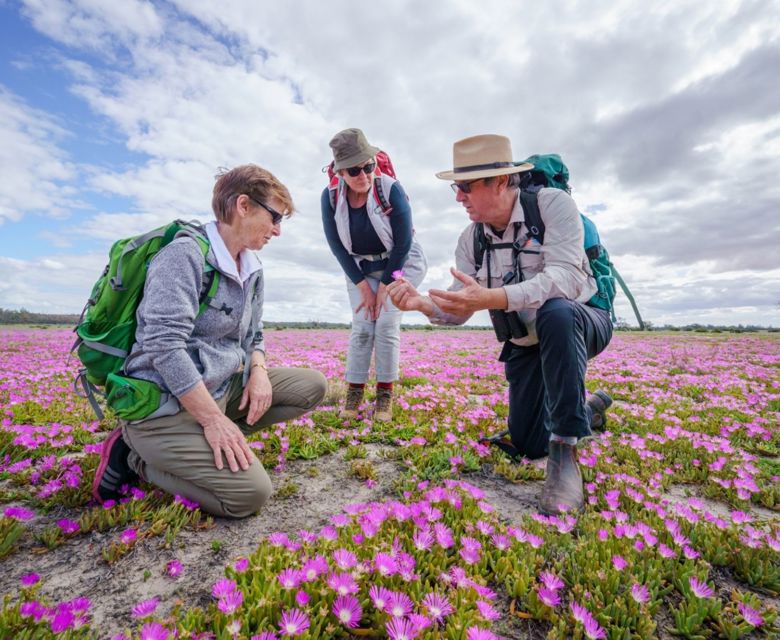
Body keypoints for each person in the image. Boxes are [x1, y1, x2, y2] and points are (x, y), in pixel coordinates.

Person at [387, 134, 613, 514]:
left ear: (502, 181)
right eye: (456, 187)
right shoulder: (471, 238)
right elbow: (460, 307)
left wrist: (493, 298)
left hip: (581, 321)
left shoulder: (553, 206)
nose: (458, 196)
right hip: (527, 339)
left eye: (465, 186)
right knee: (527, 443)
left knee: (555, 311)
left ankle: (565, 452)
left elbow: (567, 280)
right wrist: (422, 304)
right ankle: (589, 410)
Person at [92, 164, 328, 518]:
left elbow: (254, 333)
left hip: (220, 389)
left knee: (312, 386)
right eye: (275, 217)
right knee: (249, 495)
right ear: (243, 206)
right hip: (164, 406)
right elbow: (163, 346)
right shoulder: (183, 255)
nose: (277, 231)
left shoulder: (252, 267)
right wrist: (214, 421)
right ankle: (135, 456)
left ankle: (203, 445)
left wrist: (259, 370)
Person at [321, 128, 426, 421]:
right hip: (359, 267)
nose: (364, 175)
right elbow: (336, 246)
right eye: (354, 171)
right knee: (363, 326)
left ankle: (384, 397)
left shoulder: (390, 188)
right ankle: (353, 394)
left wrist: (386, 286)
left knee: (387, 326)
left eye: (368, 166)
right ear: (340, 172)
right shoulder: (329, 198)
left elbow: (403, 243)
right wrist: (364, 287)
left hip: (399, 262)